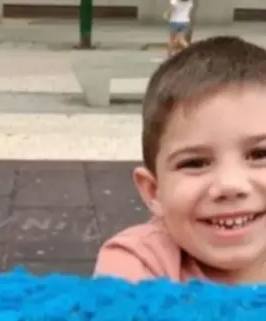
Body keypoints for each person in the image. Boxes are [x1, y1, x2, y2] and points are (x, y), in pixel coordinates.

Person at [94, 36, 266, 284]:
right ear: (154, 191)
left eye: (260, 155)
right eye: (195, 163)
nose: (231, 185)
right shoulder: (138, 261)